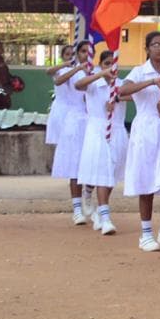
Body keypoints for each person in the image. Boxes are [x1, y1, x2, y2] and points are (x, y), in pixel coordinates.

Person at [118, 32, 160, 254]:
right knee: (146, 181)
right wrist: (152, 82)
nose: (159, 49)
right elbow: (122, 90)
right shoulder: (139, 71)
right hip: (146, 130)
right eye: (155, 44)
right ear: (147, 48)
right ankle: (145, 233)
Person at [74, 48, 127, 235]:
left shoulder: (120, 84)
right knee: (103, 172)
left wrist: (117, 98)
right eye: (107, 64)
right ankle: (105, 217)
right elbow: (78, 85)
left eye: (114, 64)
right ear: (100, 65)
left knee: (110, 175)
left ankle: (98, 208)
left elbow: (131, 94)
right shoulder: (94, 84)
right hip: (98, 131)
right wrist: (101, 74)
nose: (111, 68)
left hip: (117, 131)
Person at [49, 42, 91, 225]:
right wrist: (75, 67)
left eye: (89, 52)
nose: (85, 55)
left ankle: (89, 196)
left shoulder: (94, 71)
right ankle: (76, 208)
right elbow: (57, 80)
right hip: (74, 120)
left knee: (91, 163)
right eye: (82, 52)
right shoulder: (69, 72)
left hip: (92, 121)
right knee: (74, 164)